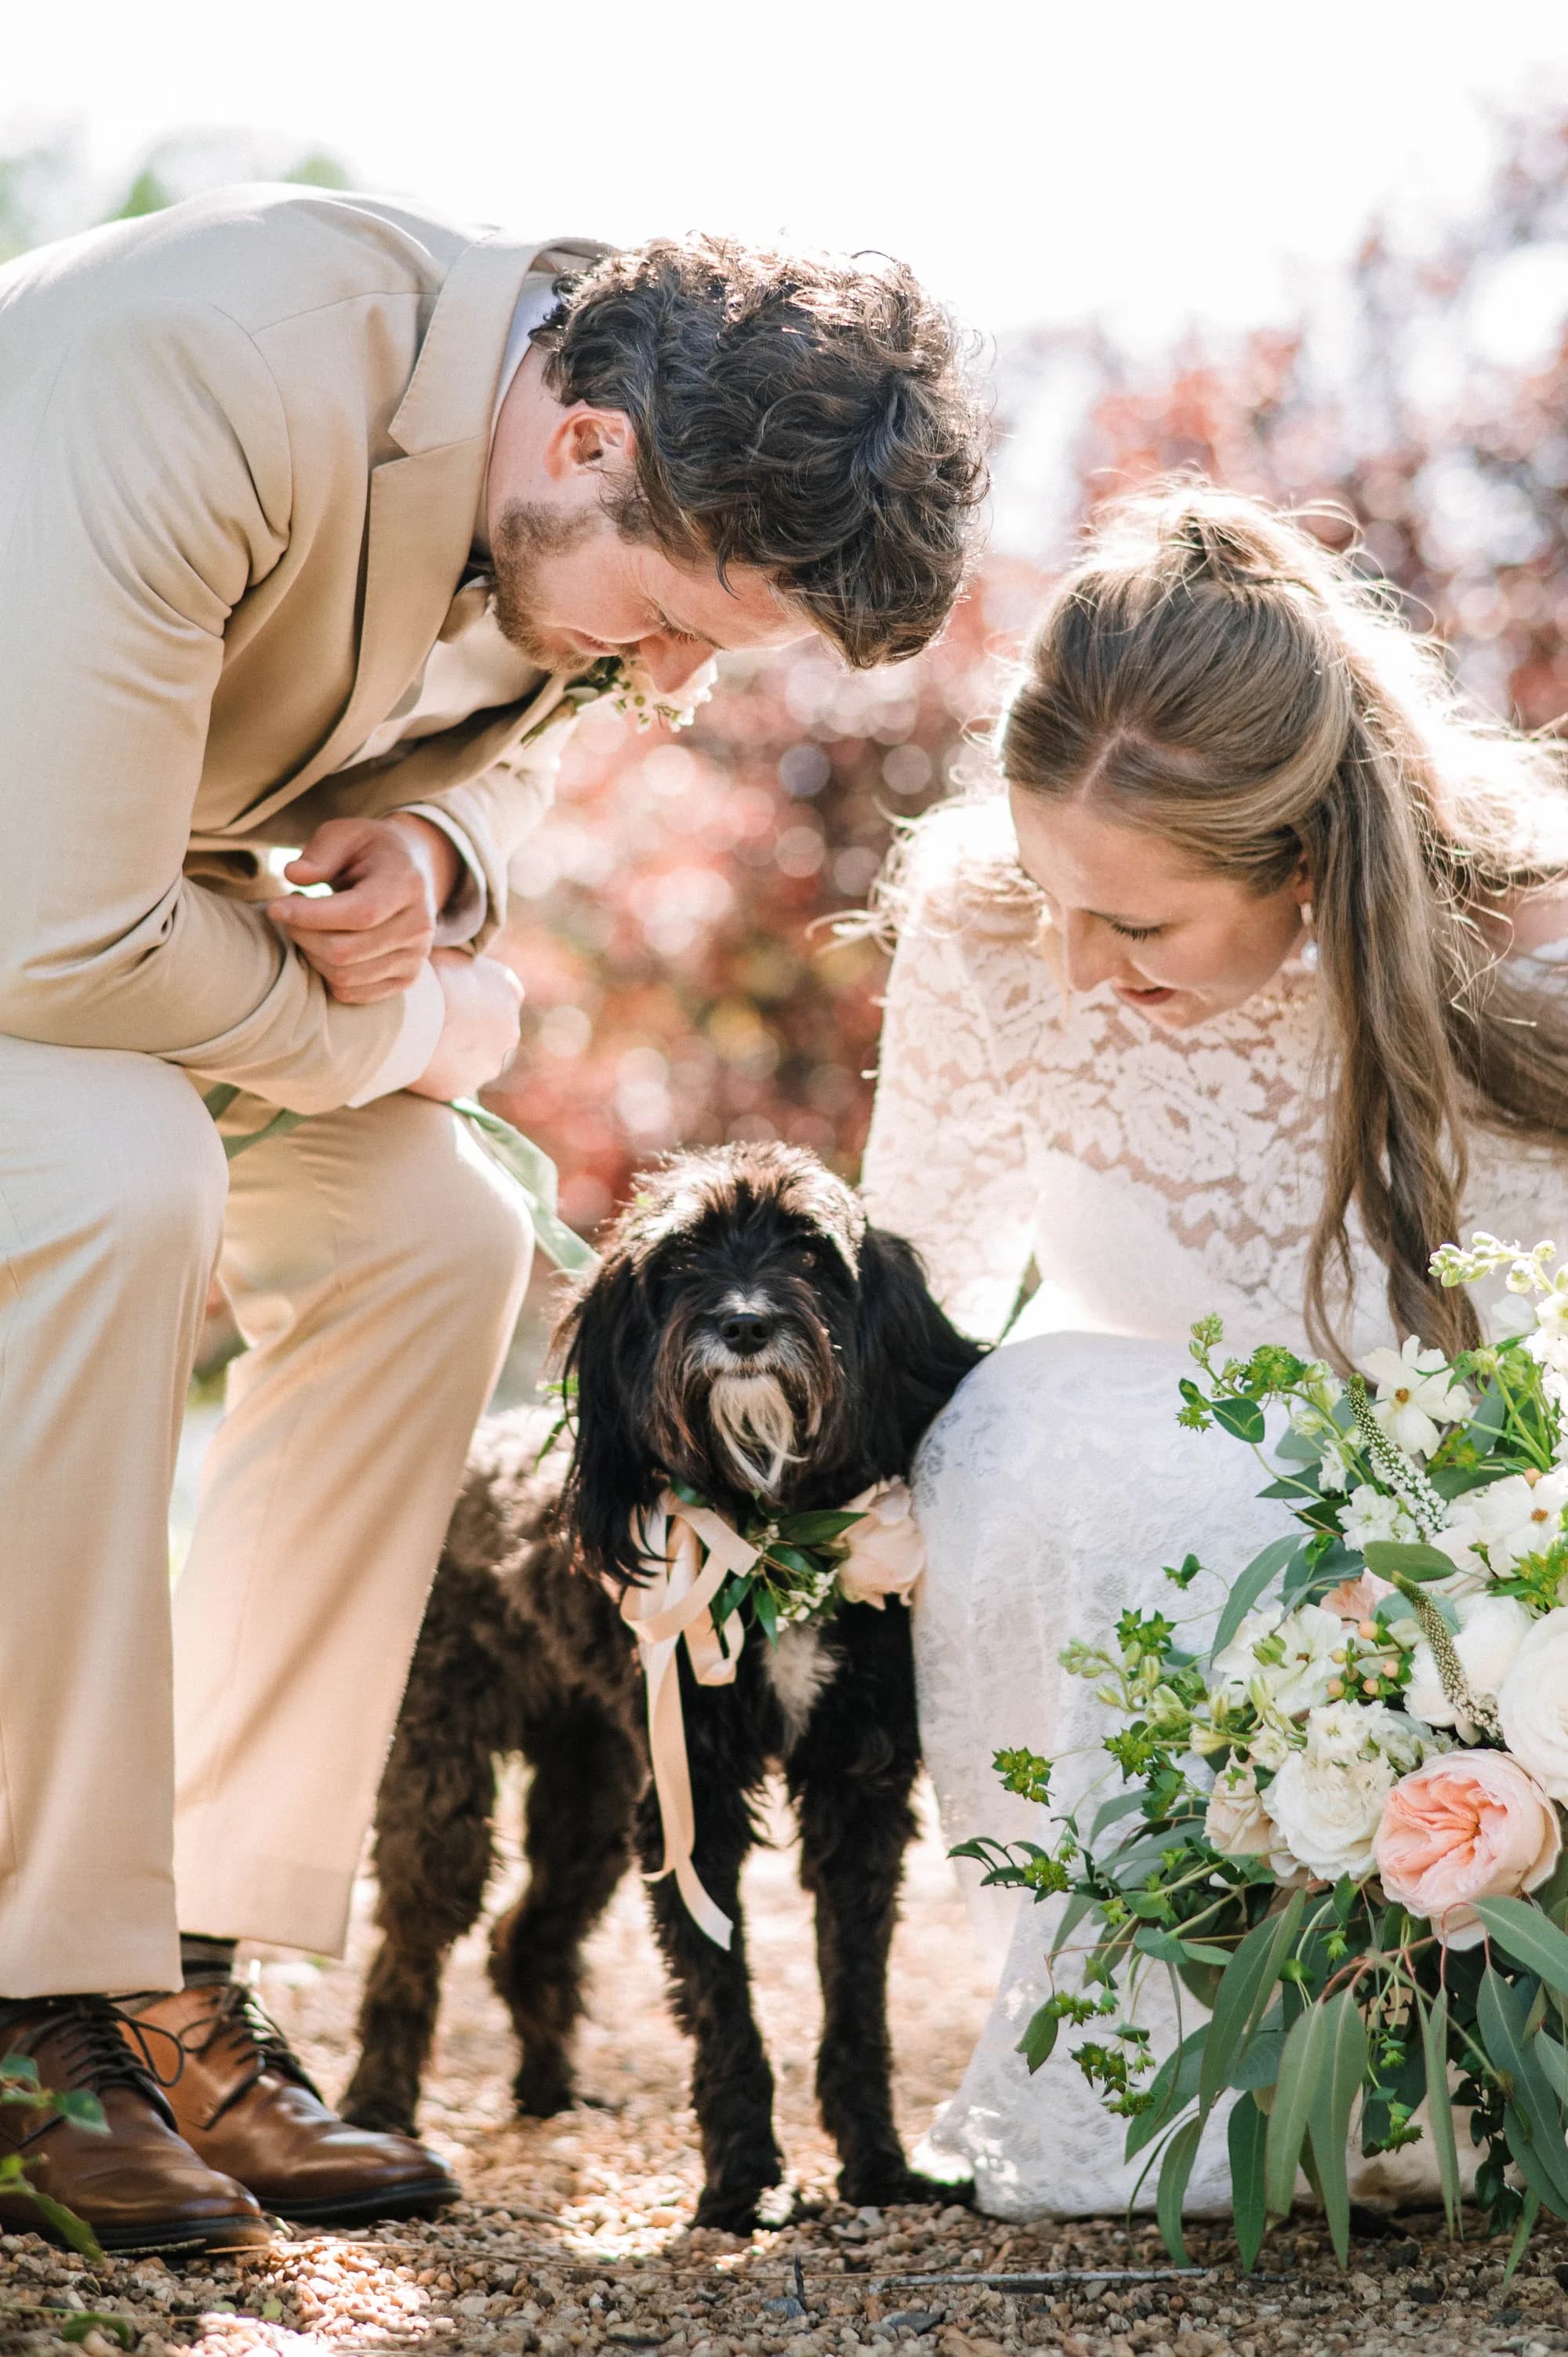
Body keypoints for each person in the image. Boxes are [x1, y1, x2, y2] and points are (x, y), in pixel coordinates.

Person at [0, 183, 987, 2250]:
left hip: (129, 953)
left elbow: (518, 735)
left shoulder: (573, 472)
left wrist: (447, 849)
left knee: (435, 1232)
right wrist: (428, 1019)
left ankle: (174, 1957)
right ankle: (26, 1993)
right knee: (118, 1174)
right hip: (46, 941)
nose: (657, 682)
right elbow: (56, 926)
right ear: (585, 441)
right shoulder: (215, 370)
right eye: (671, 633)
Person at [860, 482, 1568, 2217]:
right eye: (1050, 895)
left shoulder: (1514, 951)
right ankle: (1162, 2050)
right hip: (1142, 1525)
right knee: (1032, 1424)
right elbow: (915, 1288)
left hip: (1467, 1525)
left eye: (1142, 924)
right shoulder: (980, 926)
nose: (1080, 964)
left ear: (1310, 857)